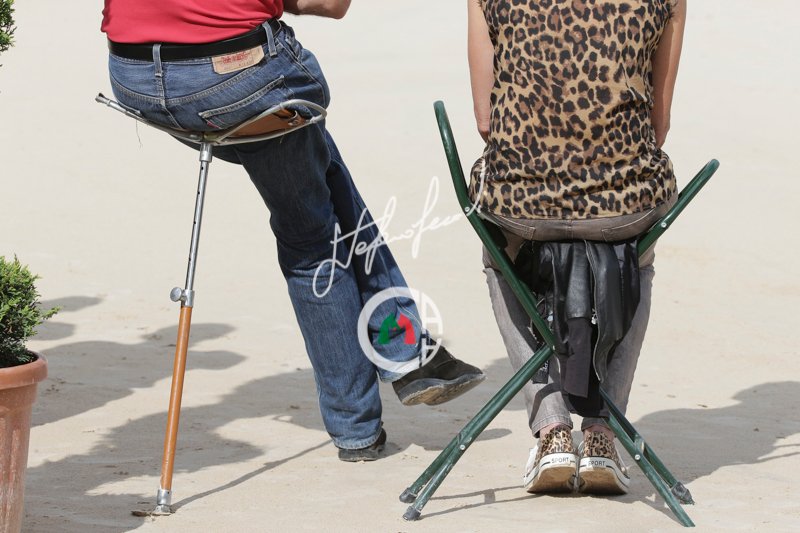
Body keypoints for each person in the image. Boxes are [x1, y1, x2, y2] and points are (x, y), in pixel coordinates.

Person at [101, 0, 485, 462]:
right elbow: (332, 4)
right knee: (311, 238)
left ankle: (410, 353)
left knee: (317, 168)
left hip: (135, 77)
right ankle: (370, 406)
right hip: (232, 77)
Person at [467, 0, 686, 493]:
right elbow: (659, 124)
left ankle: (552, 428)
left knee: (500, 261)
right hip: (622, 203)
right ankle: (603, 429)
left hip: (522, 201)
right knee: (638, 256)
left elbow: (485, 120)